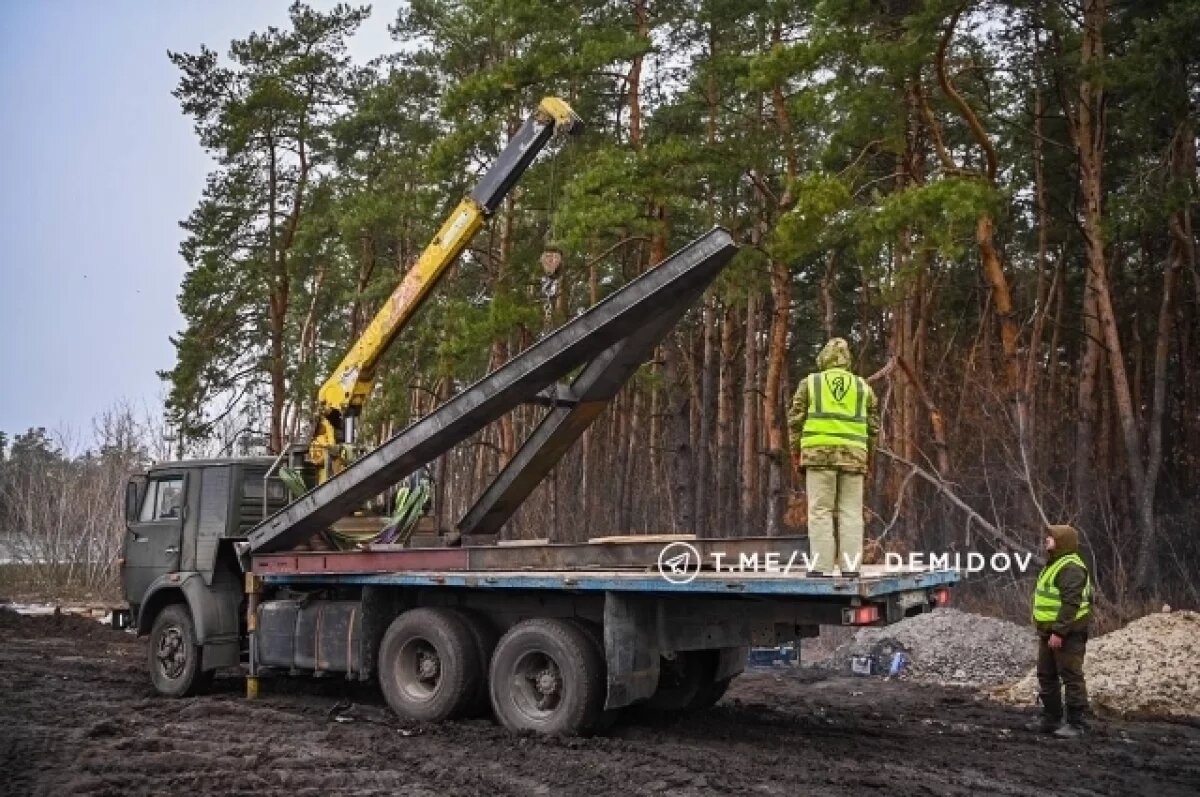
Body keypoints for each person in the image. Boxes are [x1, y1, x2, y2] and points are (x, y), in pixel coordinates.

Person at [788, 337, 879, 576]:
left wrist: (796, 451)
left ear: (824, 358)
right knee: (851, 512)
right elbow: (873, 428)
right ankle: (850, 568)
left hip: (818, 457)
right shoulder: (863, 387)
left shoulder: (810, 384)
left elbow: (795, 421)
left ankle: (821, 567)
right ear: (847, 361)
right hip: (854, 457)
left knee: (820, 511)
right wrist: (869, 458)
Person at [1030, 524, 1093, 737]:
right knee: (1046, 674)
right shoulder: (1056, 563)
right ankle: (1051, 718)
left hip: (1067, 633)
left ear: (1062, 541)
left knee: (1071, 675)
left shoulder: (1071, 567)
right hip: (1049, 631)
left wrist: (1059, 632)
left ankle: (1077, 723)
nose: (1047, 540)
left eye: (1051, 537)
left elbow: (1071, 604)